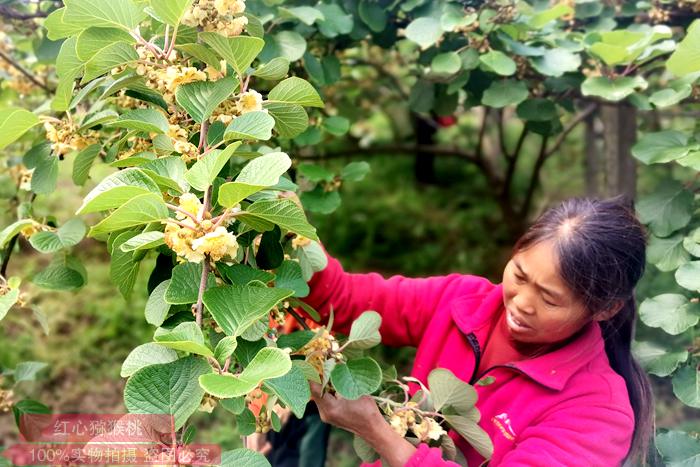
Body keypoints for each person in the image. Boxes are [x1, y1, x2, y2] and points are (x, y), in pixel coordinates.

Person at [300, 197, 654, 466]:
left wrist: (375, 430)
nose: (521, 303)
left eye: (549, 299)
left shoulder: (598, 410)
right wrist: (294, 232)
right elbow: (344, 300)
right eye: (518, 274)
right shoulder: (463, 301)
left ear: (605, 309)